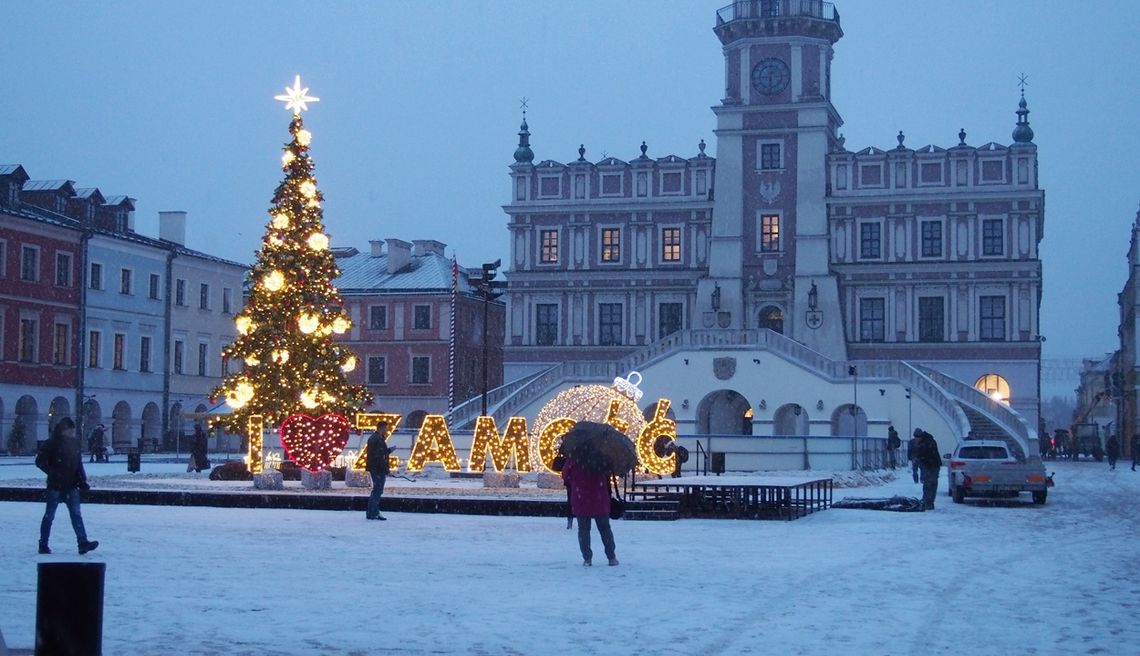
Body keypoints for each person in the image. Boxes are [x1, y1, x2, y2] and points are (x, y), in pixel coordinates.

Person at [36, 417, 99, 555]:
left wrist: (82, 480)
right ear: (65, 430)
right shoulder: (52, 444)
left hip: (70, 484)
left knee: (73, 515)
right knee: (51, 515)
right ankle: (44, 543)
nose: (72, 433)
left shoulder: (71, 444)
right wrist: (54, 473)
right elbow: (40, 461)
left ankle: (82, 542)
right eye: (71, 430)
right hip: (57, 485)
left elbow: (78, 464)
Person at [561, 452, 618, 566]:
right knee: (605, 529)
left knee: (583, 530)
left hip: (581, 498)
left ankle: (587, 558)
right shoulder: (602, 457)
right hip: (599, 497)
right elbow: (609, 472)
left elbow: (565, 475)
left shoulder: (574, 459)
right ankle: (611, 557)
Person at [365, 423, 391, 521]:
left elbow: (379, 453)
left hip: (375, 468)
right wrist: (385, 468)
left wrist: (387, 451)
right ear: (382, 428)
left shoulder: (375, 438)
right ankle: (373, 512)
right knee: (377, 490)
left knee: (377, 490)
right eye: (386, 428)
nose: (387, 430)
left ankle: (372, 512)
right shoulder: (377, 439)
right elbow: (379, 456)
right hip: (378, 469)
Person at [913, 428, 942, 510]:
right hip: (932, 464)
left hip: (931, 465)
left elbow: (928, 455)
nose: (915, 439)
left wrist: (920, 458)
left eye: (916, 437)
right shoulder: (928, 441)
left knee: (929, 484)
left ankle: (927, 502)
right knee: (931, 484)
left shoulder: (927, 443)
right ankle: (929, 502)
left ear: (920, 436)